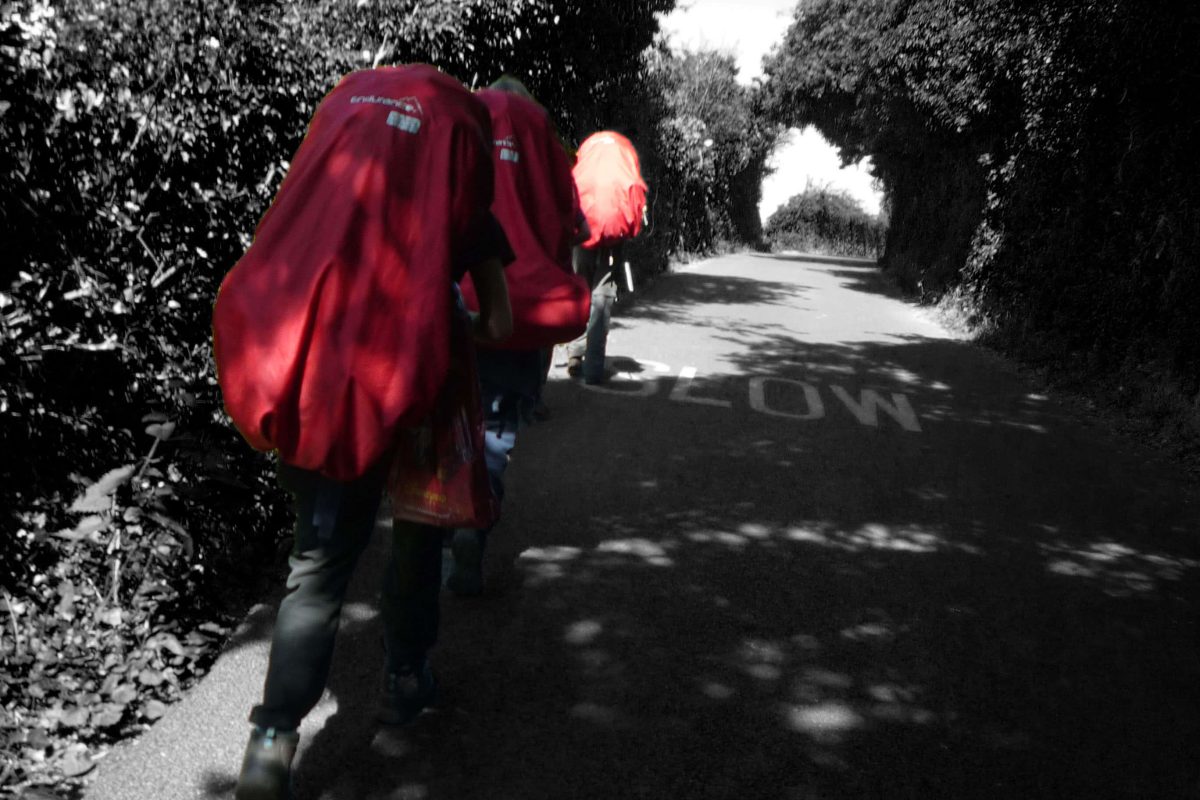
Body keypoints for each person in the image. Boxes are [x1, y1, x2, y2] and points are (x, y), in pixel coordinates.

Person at [211, 64, 513, 800]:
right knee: (414, 537)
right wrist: (457, 323)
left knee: (316, 568)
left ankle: (271, 743)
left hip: (318, 371)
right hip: (419, 388)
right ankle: (404, 680)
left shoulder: (324, 185)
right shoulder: (458, 196)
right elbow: (499, 321)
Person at [449, 76, 590, 596]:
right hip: (525, 312)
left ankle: (436, 523)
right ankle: (473, 526)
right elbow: (576, 227)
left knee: (445, 421)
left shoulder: (458, 129)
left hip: (453, 301)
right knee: (496, 433)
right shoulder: (545, 143)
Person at [568, 130, 648, 384]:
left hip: (581, 227)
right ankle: (593, 368)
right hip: (614, 232)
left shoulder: (587, 150)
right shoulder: (626, 152)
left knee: (579, 289)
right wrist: (630, 231)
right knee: (601, 297)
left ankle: (574, 353)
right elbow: (636, 196)